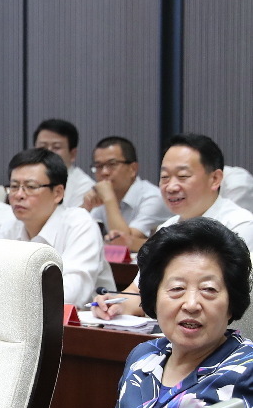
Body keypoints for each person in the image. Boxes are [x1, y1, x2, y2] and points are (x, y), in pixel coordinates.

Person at [88, 218, 253, 408]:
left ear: (232, 303)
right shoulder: (144, 358)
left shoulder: (245, 370)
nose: (191, 304)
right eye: (177, 288)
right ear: (154, 297)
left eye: (209, 290)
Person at [94, 133, 253, 320]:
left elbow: (235, 303)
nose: (171, 187)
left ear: (215, 179)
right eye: (165, 177)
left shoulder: (240, 225)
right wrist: (113, 304)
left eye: (183, 176)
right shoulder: (168, 228)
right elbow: (138, 292)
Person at [0, 148, 114, 305]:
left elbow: (70, 294)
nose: (19, 195)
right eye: (14, 186)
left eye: (31, 187)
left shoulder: (80, 224)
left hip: (88, 318)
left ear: (57, 193)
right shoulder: (9, 227)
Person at [82, 136, 170, 251]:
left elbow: (124, 243)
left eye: (112, 164)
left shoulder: (153, 198)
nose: (104, 172)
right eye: (98, 166)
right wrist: (86, 206)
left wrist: (109, 199)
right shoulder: (103, 194)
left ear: (133, 169)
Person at [34, 118, 94, 208]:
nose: (48, 152)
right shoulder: (24, 179)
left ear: (72, 154)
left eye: (56, 147)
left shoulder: (84, 186)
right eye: (43, 147)